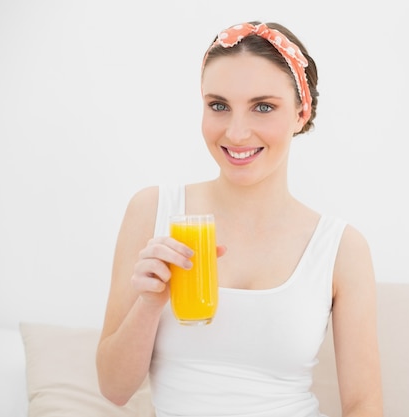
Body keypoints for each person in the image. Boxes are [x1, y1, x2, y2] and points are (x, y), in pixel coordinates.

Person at [96, 21, 383, 417]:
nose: (236, 131)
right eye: (219, 105)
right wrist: (150, 302)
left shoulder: (341, 248)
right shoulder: (153, 212)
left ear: (302, 112)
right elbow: (114, 389)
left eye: (263, 107)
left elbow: (363, 405)